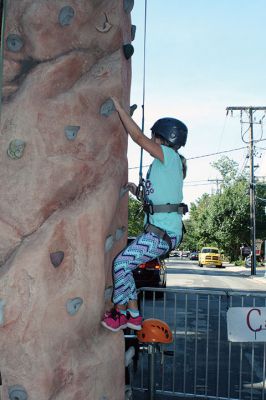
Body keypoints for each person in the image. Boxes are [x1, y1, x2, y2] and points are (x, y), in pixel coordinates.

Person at [101, 97, 188, 332]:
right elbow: (160, 200)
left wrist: (120, 111)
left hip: (164, 234)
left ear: (164, 138)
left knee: (121, 264)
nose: (151, 140)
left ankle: (124, 314)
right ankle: (132, 315)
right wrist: (138, 192)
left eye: (154, 137)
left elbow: (138, 138)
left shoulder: (168, 157)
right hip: (159, 232)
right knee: (123, 265)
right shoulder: (161, 166)